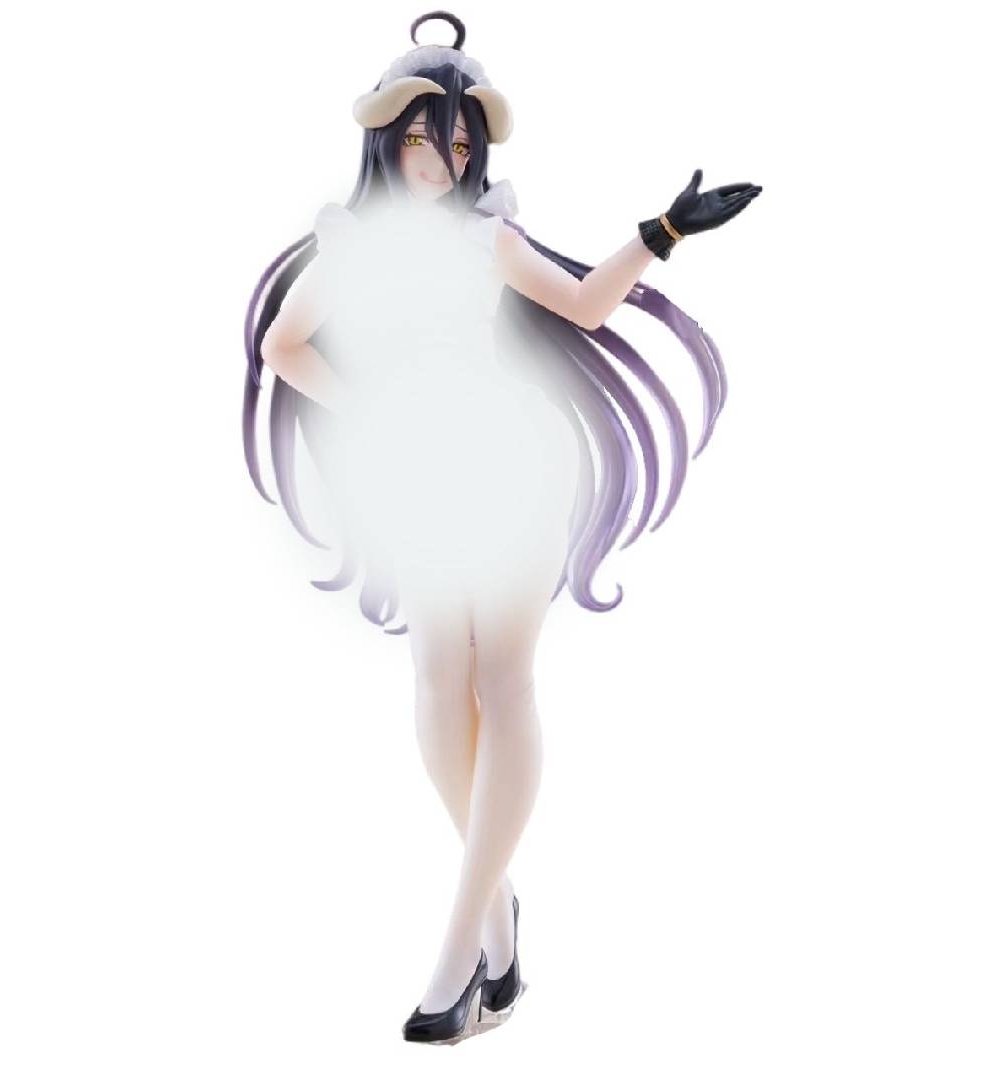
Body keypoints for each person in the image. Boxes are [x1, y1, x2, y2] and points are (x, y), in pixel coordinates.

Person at [243, 11, 761, 1045]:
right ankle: (498, 916)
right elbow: (285, 345)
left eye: (459, 141)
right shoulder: (352, 247)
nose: (442, 159)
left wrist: (661, 232)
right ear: (384, 140)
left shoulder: (489, 238)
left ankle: (457, 955)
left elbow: (586, 306)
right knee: (441, 685)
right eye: (423, 137)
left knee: (503, 682)